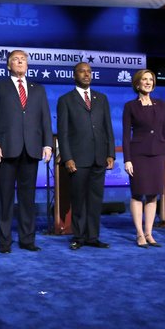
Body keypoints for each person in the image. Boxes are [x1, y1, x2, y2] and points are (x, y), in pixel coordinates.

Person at [0, 50, 52, 253]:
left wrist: (47, 144)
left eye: (23, 59)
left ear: (27, 64)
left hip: (31, 150)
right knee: (5, 199)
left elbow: (45, 119)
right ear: (8, 65)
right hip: (5, 150)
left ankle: (27, 239)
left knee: (27, 199)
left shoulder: (38, 89)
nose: (20, 61)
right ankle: (5, 242)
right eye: (15, 59)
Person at [56, 62, 115, 250]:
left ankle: (93, 237)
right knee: (79, 200)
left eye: (89, 72)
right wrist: (67, 157)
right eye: (82, 71)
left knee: (95, 200)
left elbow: (108, 128)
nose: (86, 74)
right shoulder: (65, 100)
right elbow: (63, 133)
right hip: (78, 159)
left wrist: (111, 153)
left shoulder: (102, 98)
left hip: (99, 157)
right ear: (75, 76)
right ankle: (79, 237)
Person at [122, 69, 165, 248]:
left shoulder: (161, 104)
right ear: (137, 84)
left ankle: (149, 233)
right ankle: (139, 234)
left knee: (153, 195)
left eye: (151, 79)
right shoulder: (130, 106)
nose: (148, 82)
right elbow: (126, 136)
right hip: (138, 155)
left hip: (158, 154)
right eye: (144, 79)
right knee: (137, 194)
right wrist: (127, 159)